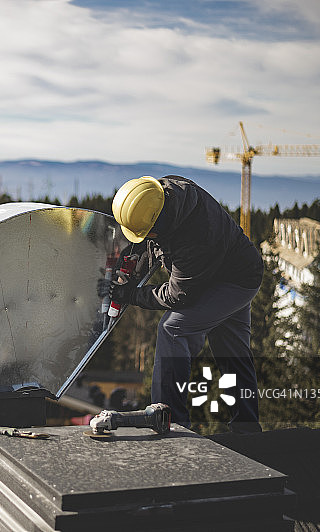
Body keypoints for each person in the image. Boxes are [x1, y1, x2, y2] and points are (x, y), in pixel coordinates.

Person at [109, 175, 263, 433]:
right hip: (231, 268)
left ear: (159, 222)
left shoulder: (196, 237)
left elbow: (176, 295)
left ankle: (170, 419)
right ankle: (248, 427)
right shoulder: (162, 194)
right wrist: (134, 266)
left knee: (173, 329)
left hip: (233, 282)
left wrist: (132, 295)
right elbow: (154, 240)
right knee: (233, 352)